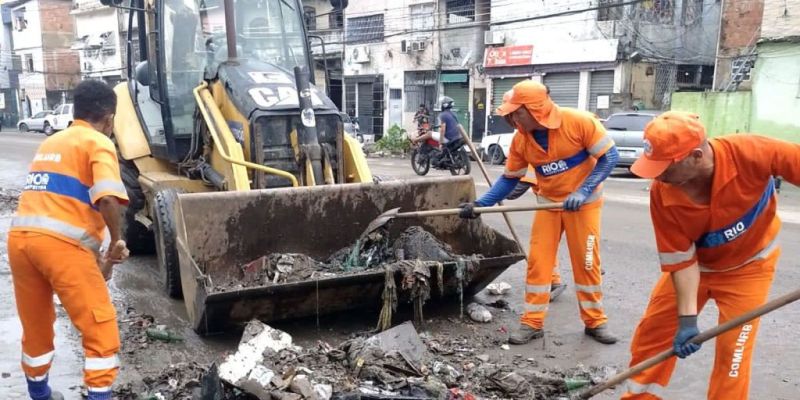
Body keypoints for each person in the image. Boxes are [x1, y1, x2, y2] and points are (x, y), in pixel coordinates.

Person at [621, 112, 797, 399]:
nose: (658, 174)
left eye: (665, 166)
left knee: (733, 355)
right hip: (697, 268)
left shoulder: (753, 152)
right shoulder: (662, 193)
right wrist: (687, 320)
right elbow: (682, 260)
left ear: (696, 156)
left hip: (749, 268)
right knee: (653, 337)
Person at [458, 80, 619, 345]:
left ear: (536, 110)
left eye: (516, 112)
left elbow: (609, 157)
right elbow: (510, 178)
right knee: (538, 265)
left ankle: (595, 322)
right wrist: (480, 205)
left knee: (587, 264)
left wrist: (582, 191)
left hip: (585, 204)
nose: (510, 118)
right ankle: (532, 323)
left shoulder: (578, 122)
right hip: (547, 203)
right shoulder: (522, 140)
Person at [9, 80, 130, 400]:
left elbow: (63, 213)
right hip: (59, 247)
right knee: (100, 329)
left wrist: (102, 262)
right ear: (109, 118)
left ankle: (41, 395)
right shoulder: (98, 142)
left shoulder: (52, 142)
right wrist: (116, 241)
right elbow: (106, 199)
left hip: (21, 242)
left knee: (36, 324)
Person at [434, 96, 467, 167]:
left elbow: (442, 129)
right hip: (457, 137)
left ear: (443, 105)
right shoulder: (454, 114)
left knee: (430, 134)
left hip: (449, 138)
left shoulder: (442, 115)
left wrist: (440, 142)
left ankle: (416, 140)